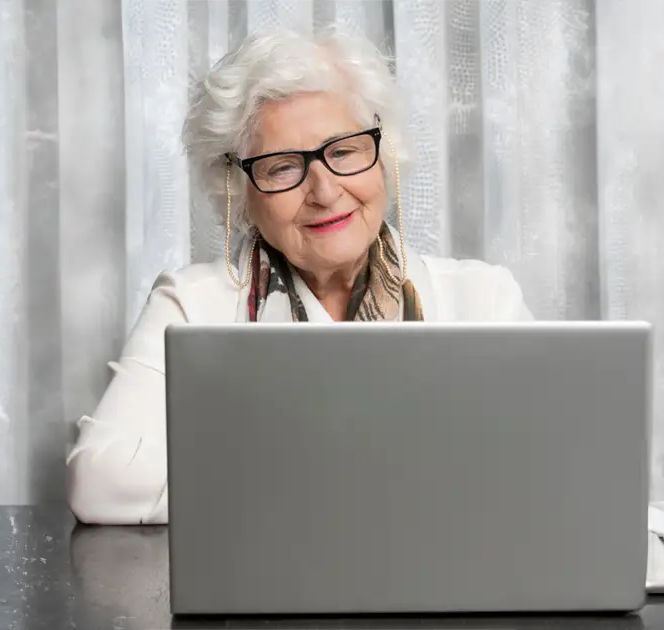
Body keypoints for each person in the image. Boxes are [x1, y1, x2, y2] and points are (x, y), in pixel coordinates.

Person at [67, 26, 534, 525]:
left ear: (384, 155)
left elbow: (545, 468)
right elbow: (101, 483)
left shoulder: (485, 299)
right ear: (238, 187)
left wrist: (275, 468)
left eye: (345, 151)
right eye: (282, 167)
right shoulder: (191, 305)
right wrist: (392, 471)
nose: (325, 191)